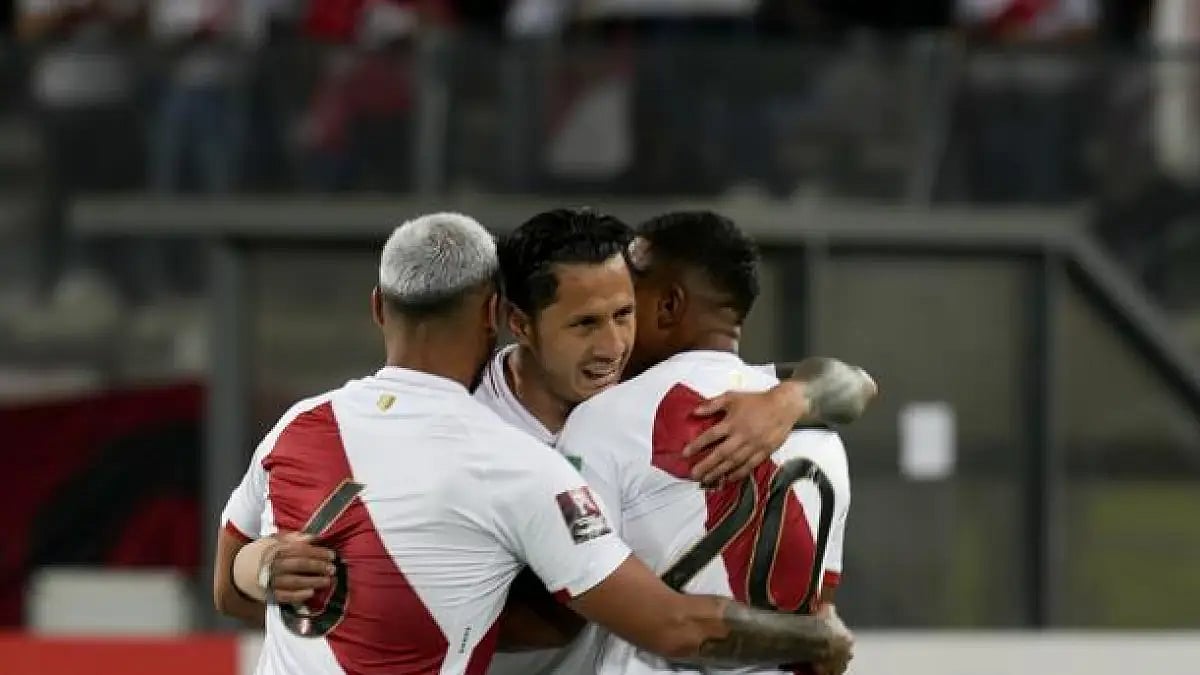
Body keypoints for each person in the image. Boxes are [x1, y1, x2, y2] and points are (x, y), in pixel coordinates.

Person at [217, 212, 852, 675]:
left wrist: (790, 400)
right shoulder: (483, 441)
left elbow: (852, 383)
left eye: (624, 315)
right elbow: (647, 621)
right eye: (585, 324)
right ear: (513, 321)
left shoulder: (644, 392)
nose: (613, 345)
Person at [555, 210, 855, 675]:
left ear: (668, 305)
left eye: (626, 304)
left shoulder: (603, 422)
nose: (615, 327)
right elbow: (819, 611)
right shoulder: (822, 437)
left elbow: (564, 599)